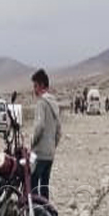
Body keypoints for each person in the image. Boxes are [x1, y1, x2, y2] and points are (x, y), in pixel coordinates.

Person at [29, 69, 60, 198]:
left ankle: (36, 215)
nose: (34, 90)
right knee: (45, 187)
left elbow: (39, 126)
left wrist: (32, 143)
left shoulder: (42, 103)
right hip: (50, 154)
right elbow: (59, 130)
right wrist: (53, 145)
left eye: (35, 86)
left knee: (33, 186)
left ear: (41, 85)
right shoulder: (54, 103)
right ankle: (45, 214)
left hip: (40, 153)